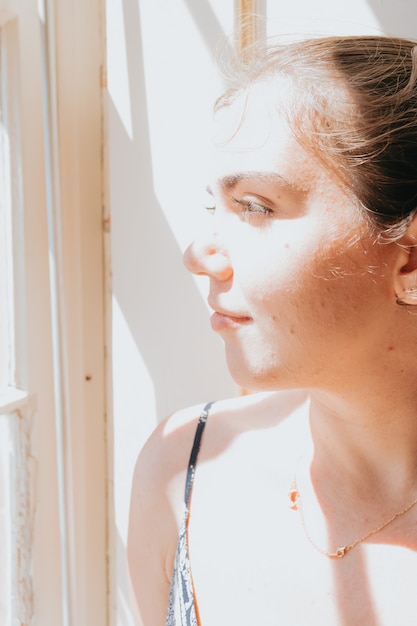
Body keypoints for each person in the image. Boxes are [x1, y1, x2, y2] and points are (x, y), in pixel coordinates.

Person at [127, 35, 417, 625]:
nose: (198, 254)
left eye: (256, 206)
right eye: (216, 207)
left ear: (409, 256)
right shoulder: (183, 469)